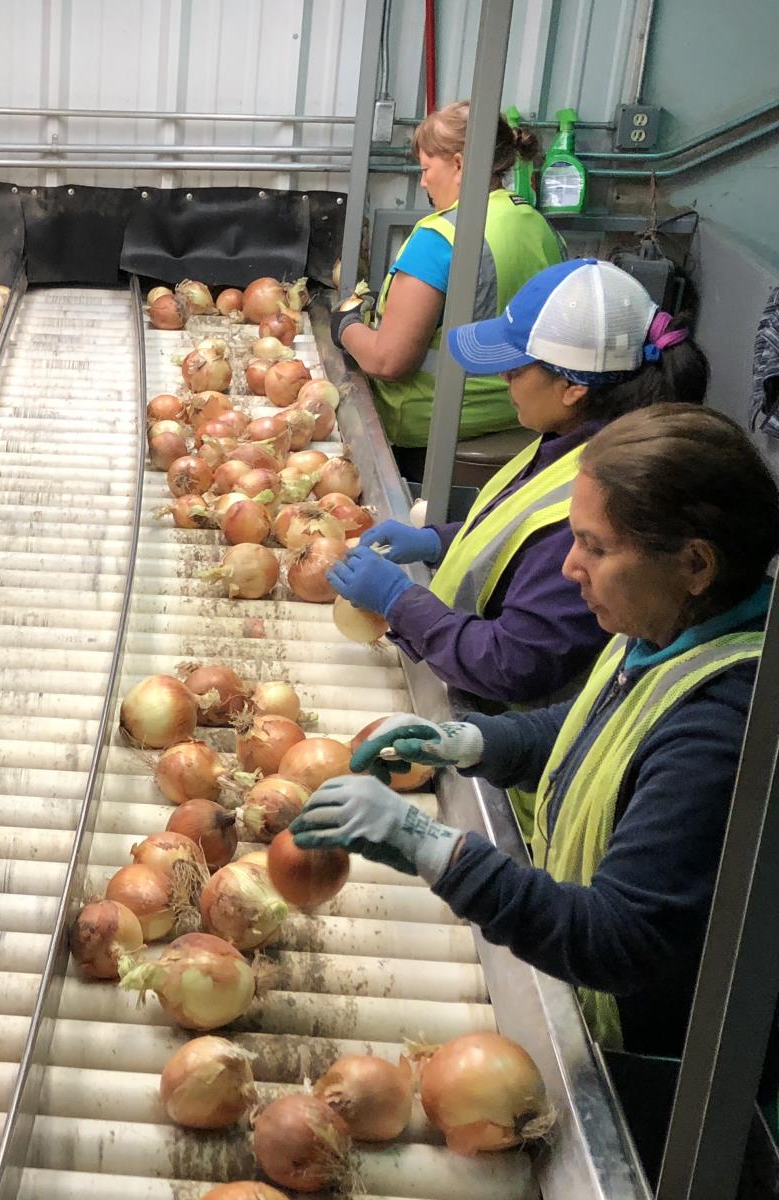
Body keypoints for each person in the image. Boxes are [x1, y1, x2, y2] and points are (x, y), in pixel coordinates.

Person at [291, 404, 777, 1058]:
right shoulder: (667, 625)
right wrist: (478, 743)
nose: (570, 568)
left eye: (596, 547)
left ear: (694, 564)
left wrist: (431, 847)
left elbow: (615, 939)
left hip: (626, 1046)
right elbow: (600, 731)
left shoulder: (723, 724)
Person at [327, 260, 708, 703]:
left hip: (498, 729)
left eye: (516, 369)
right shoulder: (566, 440)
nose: (504, 378)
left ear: (573, 388)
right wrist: (438, 541)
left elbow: (515, 663)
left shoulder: (602, 503)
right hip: (457, 672)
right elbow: (516, 540)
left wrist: (400, 602)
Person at [333, 101, 565, 476]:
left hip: (431, 423)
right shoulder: (535, 223)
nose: (423, 182)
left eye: (426, 169)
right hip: (522, 412)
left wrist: (345, 326)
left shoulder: (440, 236)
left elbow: (387, 361)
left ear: (459, 165)